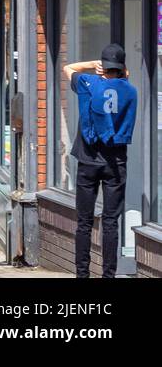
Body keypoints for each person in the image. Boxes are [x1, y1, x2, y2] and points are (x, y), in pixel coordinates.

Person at [65, 44, 138, 278]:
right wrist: (124, 73)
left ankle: (82, 274)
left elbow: (67, 68)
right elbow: (125, 81)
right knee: (110, 222)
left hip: (88, 161)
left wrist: (90, 65)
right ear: (123, 67)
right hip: (115, 163)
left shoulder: (90, 84)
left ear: (102, 66)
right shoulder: (130, 91)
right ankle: (108, 275)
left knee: (84, 222)